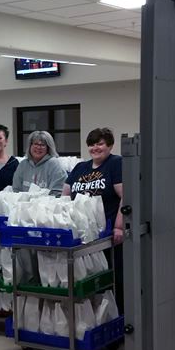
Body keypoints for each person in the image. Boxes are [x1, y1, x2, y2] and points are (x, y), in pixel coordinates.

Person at [62, 127, 124, 311]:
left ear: (110, 145)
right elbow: (65, 196)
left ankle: (116, 314)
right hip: (83, 235)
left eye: (100, 143)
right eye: (92, 144)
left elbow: (125, 195)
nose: (95, 148)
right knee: (88, 278)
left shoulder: (116, 163)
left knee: (112, 277)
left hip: (107, 234)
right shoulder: (81, 167)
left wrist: (119, 226)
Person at [12, 130, 67, 195]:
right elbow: (16, 190)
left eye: (42, 145)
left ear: (48, 148)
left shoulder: (55, 165)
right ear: (30, 146)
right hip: (23, 204)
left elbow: (57, 192)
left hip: (48, 204)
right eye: (35, 144)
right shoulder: (23, 164)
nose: (38, 147)